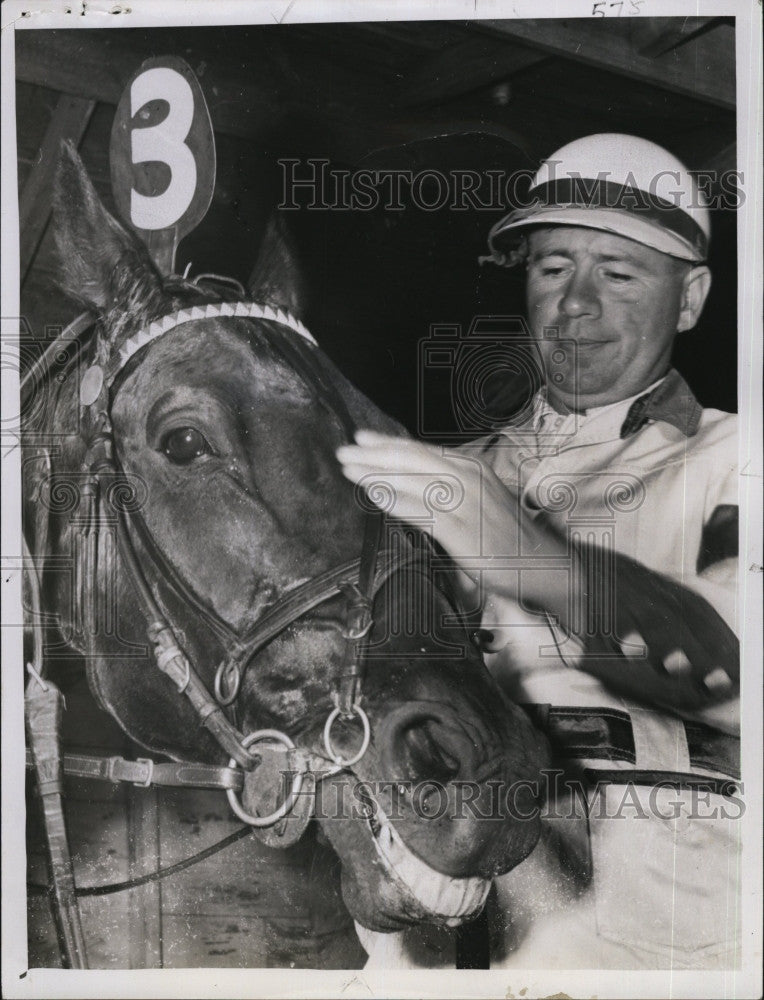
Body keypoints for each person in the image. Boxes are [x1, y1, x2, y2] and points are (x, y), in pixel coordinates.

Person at [336, 134, 741, 970]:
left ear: (691, 297)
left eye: (619, 273)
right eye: (553, 267)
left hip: (649, 922)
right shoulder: (451, 473)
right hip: (434, 928)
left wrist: (526, 557)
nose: (576, 304)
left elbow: (740, 672)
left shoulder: (734, 457)